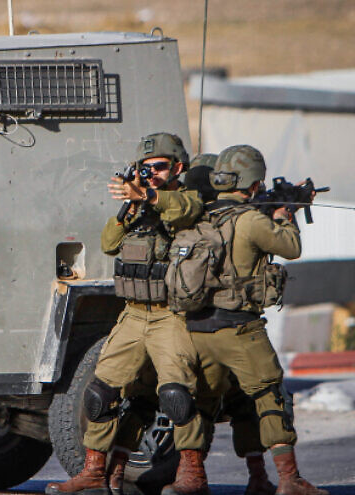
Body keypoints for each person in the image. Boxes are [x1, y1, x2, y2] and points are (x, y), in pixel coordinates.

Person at [46, 133, 205, 495]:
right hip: (133, 314)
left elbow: (187, 210)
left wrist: (148, 195)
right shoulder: (140, 203)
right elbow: (109, 243)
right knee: (99, 393)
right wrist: (130, 207)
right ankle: (94, 472)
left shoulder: (187, 199)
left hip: (170, 316)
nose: (151, 173)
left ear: (178, 168)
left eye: (159, 167)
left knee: (177, 396)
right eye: (145, 168)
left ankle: (192, 475)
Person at [108, 153, 275, 495]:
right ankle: (200, 475)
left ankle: (210, 476)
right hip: (198, 322)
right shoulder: (199, 213)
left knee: (210, 401)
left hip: (203, 322)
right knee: (194, 400)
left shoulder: (204, 213)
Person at [166, 145, 327, 495]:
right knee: (271, 397)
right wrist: (284, 214)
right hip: (241, 329)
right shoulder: (253, 219)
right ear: (254, 184)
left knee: (200, 404)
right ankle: (289, 479)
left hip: (198, 328)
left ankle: (189, 478)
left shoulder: (202, 215)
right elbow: (290, 248)